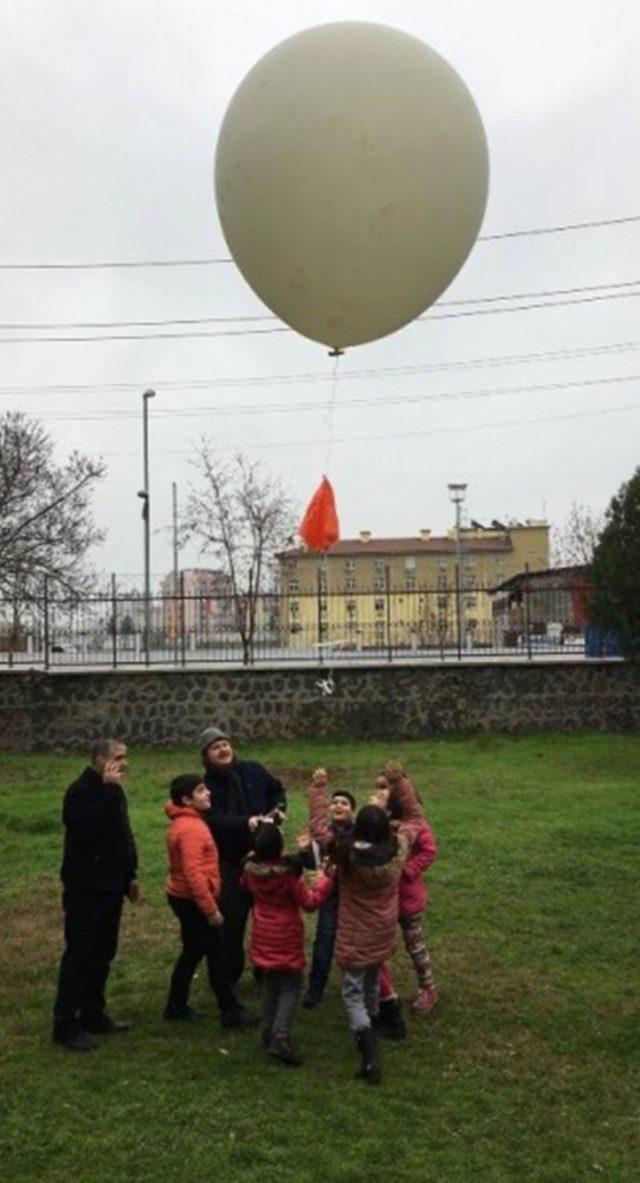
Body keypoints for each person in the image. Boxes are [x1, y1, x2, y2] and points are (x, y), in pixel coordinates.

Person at [310, 770, 408, 1085]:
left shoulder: (347, 855)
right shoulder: (398, 852)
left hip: (355, 937)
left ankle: (368, 1055)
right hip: (382, 933)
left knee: (352, 992)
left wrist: (318, 789)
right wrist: (401, 785)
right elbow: (414, 823)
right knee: (370, 982)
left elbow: (318, 829)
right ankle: (374, 1023)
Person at [52, 738, 139, 1052]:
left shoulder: (114, 791)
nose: (124, 763)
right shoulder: (81, 792)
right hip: (86, 886)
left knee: (104, 951)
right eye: (118, 757)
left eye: (126, 757)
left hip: (112, 884)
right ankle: (65, 1023)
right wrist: (109, 790)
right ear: (100, 760)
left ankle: (93, 1012)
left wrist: (130, 874)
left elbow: (122, 833)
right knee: (80, 953)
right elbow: (87, 831)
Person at [163, 774, 257, 1029]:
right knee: (216, 953)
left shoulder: (187, 822)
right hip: (193, 900)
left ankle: (176, 1005)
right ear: (186, 799)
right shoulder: (191, 829)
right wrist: (210, 910)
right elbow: (193, 874)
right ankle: (230, 1010)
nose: (208, 794)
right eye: (201, 791)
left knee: (193, 951)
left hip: (181, 896)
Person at [199, 726, 286, 984]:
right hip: (230, 861)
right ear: (206, 756)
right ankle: (229, 977)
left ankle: (267, 970)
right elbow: (214, 819)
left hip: (263, 858)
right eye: (216, 747)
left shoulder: (253, 770)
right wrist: (244, 822)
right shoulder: (206, 787)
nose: (223, 749)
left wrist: (278, 809)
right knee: (232, 922)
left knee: (268, 919)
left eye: (225, 744)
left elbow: (277, 791)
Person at [241, 822, 322, 1065]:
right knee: (291, 985)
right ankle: (281, 1036)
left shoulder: (249, 871)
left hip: (262, 931)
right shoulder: (289, 876)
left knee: (270, 982)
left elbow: (244, 885)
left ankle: (267, 1030)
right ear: (279, 846)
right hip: (286, 934)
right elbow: (308, 903)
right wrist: (322, 883)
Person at [372, 763, 438, 1037]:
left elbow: (429, 851)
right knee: (380, 949)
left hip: (407, 898)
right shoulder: (378, 823)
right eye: (377, 788)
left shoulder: (414, 825)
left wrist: (408, 871)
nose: (379, 793)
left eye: (385, 788)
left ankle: (428, 987)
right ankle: (383, 994)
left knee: (414, 944)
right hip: (382, 900)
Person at [299, 782, 357, 1008]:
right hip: (330, 900)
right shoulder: (324, 835)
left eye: (344, 803)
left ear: (353, 809)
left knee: (353, 945)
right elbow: (312, 865)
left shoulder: (359, 833)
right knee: (324, 942)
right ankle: (315, 988)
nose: (338, 806)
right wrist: (305, 851)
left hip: (353, 900)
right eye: (334, 802)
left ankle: (355, 987)